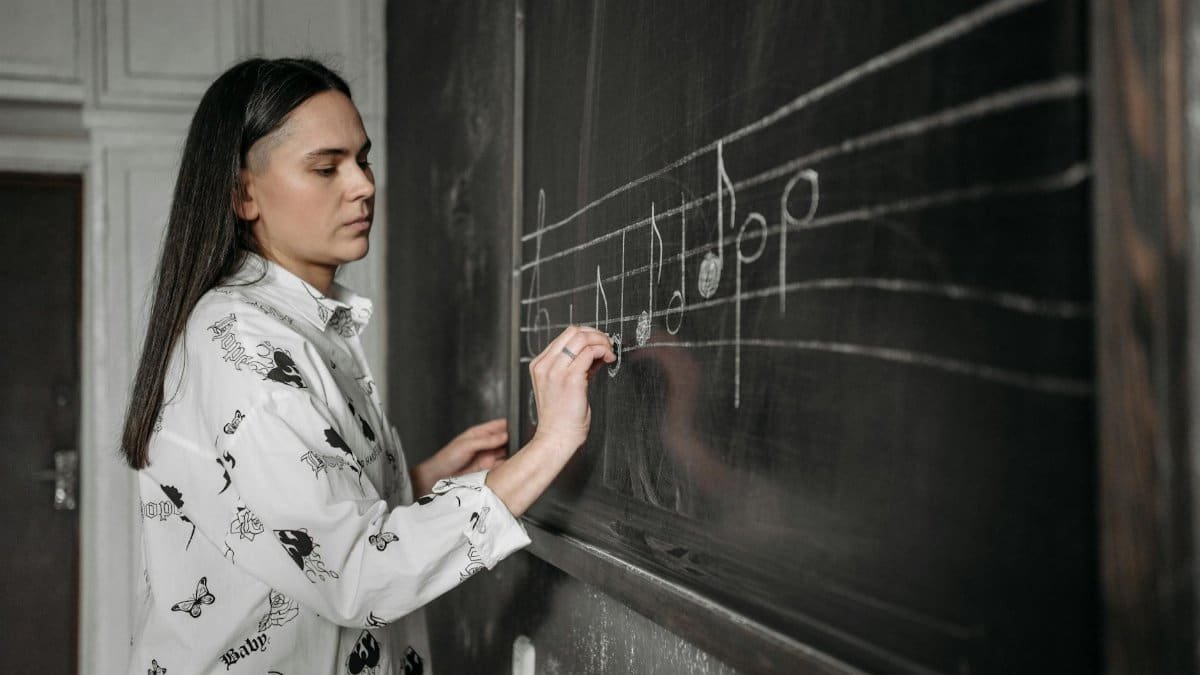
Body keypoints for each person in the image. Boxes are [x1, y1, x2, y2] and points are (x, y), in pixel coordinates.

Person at [121, 57, 614, 675]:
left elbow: (283, 513)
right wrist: (552, 444)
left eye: (362, 159)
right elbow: (356, 576)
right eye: (326, 168)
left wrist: (414, 480)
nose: (362, 185)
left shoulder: (292, 324)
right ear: (243, 192)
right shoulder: (241, 344)